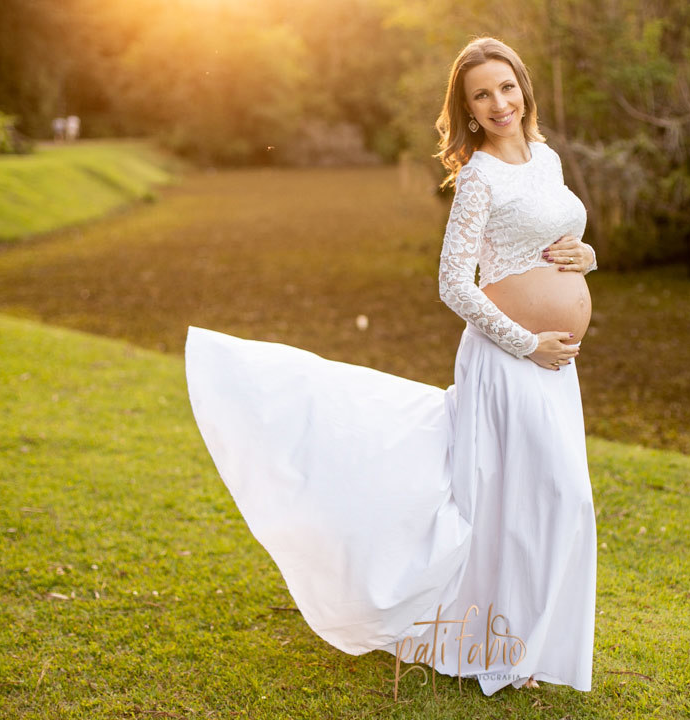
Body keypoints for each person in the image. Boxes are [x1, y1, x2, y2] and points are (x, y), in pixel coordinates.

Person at [184, 36, 597, 697]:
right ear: (467, 110)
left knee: (557, 496)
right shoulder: (480, 177)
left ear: (524, 87)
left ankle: (531, 644)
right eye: (482, 95)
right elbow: (453, 285)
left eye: (506, 87)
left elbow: (557, 238)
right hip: (510, 360)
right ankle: (498, 648)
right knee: (525, 500)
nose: (499, 103)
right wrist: (527, 343)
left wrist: (587, 257)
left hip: (555, 366)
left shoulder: (545, 159)